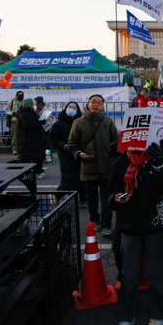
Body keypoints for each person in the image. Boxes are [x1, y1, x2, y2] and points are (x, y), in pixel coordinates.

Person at [107, 141, 163, 325]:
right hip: (128, 227)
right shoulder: (122, 160)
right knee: (128, 273)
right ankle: (125, 317)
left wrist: (160, 164)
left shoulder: (162, 158)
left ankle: (159, 315)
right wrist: (115, 198)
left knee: (156, 274)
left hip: (155, 227)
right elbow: (110, 189)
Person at [68, 94, 118, 236]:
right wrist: (78, 154)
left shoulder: (108, 122)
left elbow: (116, 142)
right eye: (93, 102)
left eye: (99, 103)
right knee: (91, 198)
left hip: (106, 167)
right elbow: (72, 144)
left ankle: (106, 224)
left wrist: (113, 158)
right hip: (88, 166)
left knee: (106, 198)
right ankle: (94, 219)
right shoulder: (79, 123)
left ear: (103, 106)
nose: (96, 105)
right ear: (88, 104)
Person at [49, 101, 85, 201]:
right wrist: (64, 146)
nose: (72, 110)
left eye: (74, 108)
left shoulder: (81, 122)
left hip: (80, 153)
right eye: (70, 107)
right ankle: (57, 196)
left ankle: (82, 199)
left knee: (82, 178)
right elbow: (52, 139)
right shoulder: (59, 124)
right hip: (66, 154)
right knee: (69, 178)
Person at [15, 98, 46, 177]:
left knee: (35, 156)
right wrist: (40, 123)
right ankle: (27, 173)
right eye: (33, 104)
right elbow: (28, 124)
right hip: (27, 139)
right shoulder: (24, 113)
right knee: (27, 157)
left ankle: (37, 171)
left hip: (31, 139)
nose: (35, 106)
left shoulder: (29, 113)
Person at [34, 96, 55, 163]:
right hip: (44, 128)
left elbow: (46, 120)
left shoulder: (45, 110)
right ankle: (46, 155)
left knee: (47, 144)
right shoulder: (40, 109)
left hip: (46, 128)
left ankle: (48, 156)